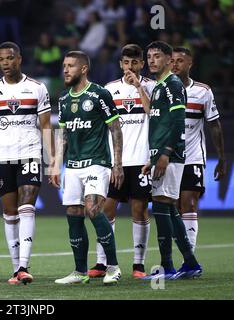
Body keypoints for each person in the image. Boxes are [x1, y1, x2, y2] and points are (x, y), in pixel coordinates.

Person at [0, 41, 54, 285]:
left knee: (26, 207)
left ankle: (24, 265)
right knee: (10, 212)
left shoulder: (37, 88)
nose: (6, 63)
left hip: (30, 153)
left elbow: (46, 126)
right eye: (2, 59)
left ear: (19, 59)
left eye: (10, 58)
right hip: (3, 156)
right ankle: (16, 269)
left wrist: (52, 160)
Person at [50, 51, 123, 285]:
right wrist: (55, 163)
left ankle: (112, 267)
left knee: (92, 209)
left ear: (83, 69)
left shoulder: (99, 93)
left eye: (70, 66)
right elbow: (63, 135)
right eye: (64, 66)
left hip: (97, 162)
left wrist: (117, 164)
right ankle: (80, 272)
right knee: (73, 213)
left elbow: (115, 128)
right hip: (73, 165)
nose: (65, 70)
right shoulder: (63, 99)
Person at [88, 44, 155, 279]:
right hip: (115, 160)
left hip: (141, 160)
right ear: (120, 64)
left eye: (135, 63)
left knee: (140, 210)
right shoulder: (109, 89)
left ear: (141, 64)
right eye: (126, 63)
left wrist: (138, 86)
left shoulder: (152, 87)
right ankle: (101, 262)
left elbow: (153, 114)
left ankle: (139, 264)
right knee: (106, 209)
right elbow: (103, 125)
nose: (130, 67)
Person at [141, 41, 202, 280]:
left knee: (161, 205)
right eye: (149, 57)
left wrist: (165, 153)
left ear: (168, 59)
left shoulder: (173, 85)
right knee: (167, 207)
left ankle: (167, 266)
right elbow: (160, 123)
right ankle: (190, 262)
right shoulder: (159, 86)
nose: (152, 61)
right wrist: (153, 156)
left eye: (157, 56)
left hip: (171, 155)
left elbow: (178, 121)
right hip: (161, 155)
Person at [171, 47, 226, 253]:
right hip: (168, 159)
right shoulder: (160, 91)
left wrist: (222, 158)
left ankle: (190, 258)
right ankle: (178, 255)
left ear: (190, 64)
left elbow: (214, 125)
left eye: (180, 61)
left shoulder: (203, 91)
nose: (175, 64)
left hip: (192, 157)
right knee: (173, 207)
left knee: (189, 203)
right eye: (172, 61)